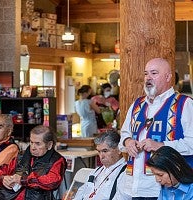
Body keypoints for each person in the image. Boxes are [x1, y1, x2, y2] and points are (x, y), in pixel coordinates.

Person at [119, 57, 193, 199]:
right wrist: (128, 142)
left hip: (162, 189)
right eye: (146, 74)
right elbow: (124, 135)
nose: (148, 78)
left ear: (168, 77)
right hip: (132, 186)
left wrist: (161, 146)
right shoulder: (137, 104)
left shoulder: (185, 104)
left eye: (154, 73)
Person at [0, 125, 67, 200]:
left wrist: (23, 180)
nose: (33, 147)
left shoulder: (57, 160)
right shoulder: (22, 156)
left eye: (38, 144)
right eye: (31, 142)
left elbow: (52, 181)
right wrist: (2, 178)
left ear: (49, 145)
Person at [73, 131, 131, 200]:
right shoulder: (96, 171)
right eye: (99, 151)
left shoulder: (126, 173)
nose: (101, 156)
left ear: (119, 150)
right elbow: (81, 193)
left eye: (105, 151)